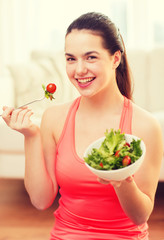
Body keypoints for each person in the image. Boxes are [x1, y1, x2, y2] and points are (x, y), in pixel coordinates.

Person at [2, 12, 163, 240]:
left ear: (115, 59)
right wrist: (30, 136)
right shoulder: (54, 118)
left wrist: (121, 180)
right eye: (71, 59)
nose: (79, 70)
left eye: (90, 57)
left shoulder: (146, 125)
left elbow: (140, 216)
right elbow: (40, 201)